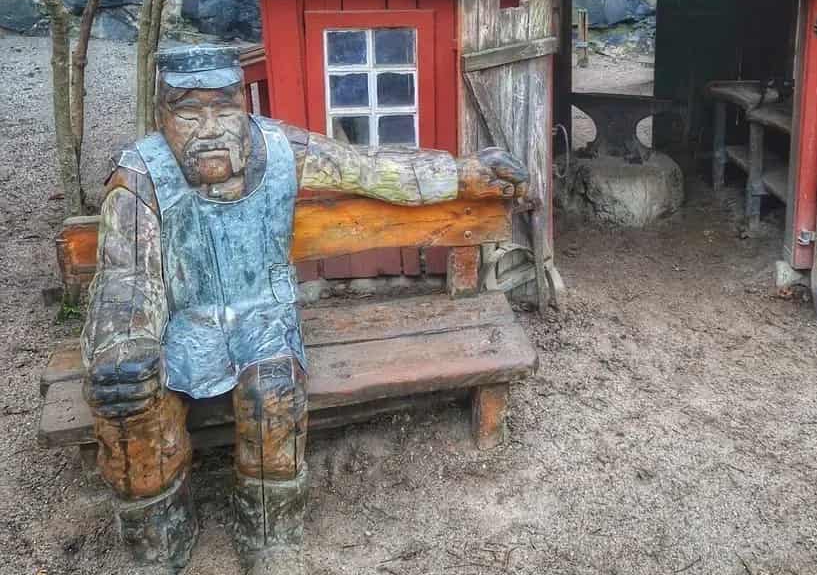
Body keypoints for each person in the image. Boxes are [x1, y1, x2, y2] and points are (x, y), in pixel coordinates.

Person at [81, 45, 528, 573]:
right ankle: (159, 543)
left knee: (274, 392)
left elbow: (369, 168)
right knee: (133, 400)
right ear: (162, 115)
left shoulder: (279, 147)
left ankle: (269, 535)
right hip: (183, 324)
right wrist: (122, 345)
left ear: (241, 105)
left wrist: (462, 173)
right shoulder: (139, 175)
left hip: (264, 315)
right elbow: (127, 276)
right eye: (188, 110)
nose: (209, 127)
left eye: (223, 108)